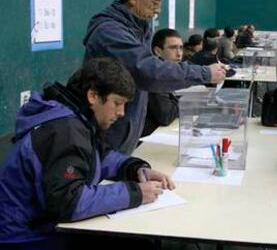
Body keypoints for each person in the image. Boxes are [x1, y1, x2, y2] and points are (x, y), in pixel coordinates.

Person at [0, 58, 175, 249]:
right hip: (28, 237)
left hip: (41, 225)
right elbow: (68, 202)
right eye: (117, 103)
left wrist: (135, 168)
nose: (122, 112)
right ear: (93, 96)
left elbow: (98, 156)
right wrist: (135, 193)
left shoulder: (75, 117)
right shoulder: (65, 130)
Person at [83, 0, 226, 154]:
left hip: (126, 134)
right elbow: (149, 71)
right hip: (106, 134)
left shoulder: (138, 27)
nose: (157, 10)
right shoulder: (110, 32)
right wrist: (205, 73)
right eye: (155, 3)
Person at [142, 29, 182, 137]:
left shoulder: (168, 73)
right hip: (147, 139)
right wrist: (182, 102)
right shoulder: (155, 75)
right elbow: (166, 116)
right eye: (173, 48)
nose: (179, 54)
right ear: (158, 51)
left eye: (181, 48)